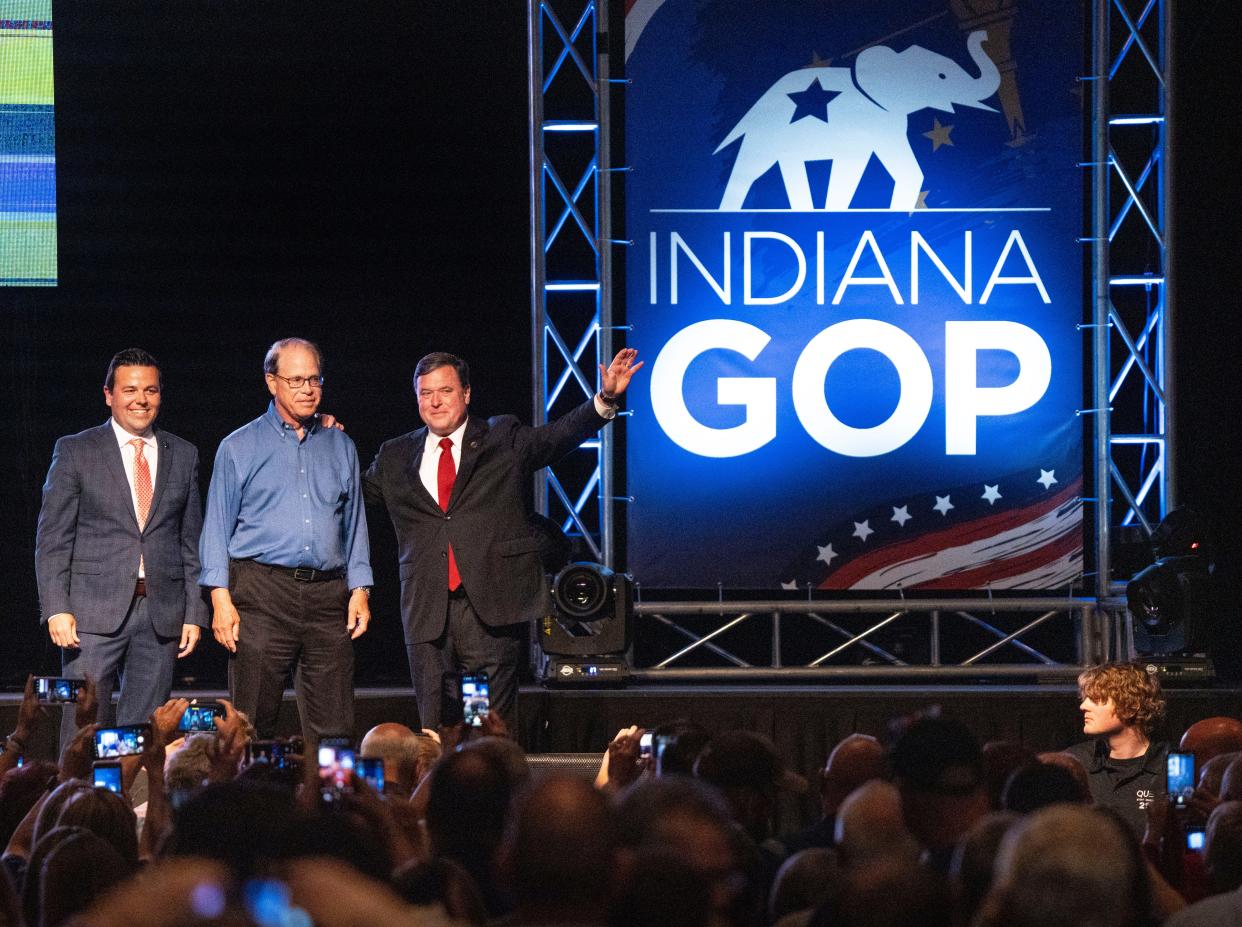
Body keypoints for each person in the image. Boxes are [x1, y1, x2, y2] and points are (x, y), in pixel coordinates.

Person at [363, 347, 642, 729]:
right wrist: (321, 438)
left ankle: (485, 784)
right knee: (435, 728)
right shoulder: (395, 455)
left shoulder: (500, 437)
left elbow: (555, 438)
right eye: (425, 393)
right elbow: (352, 495)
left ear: (466, 394)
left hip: (487, 611)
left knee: (482, 726)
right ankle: (438, 787)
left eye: (444, 390)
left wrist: (605, 399)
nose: (435, 401)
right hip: (427, 609)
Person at [199, 338, 372, 740]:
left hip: (329, 598)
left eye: (315, 379)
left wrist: (360, 588)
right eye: (296, 380)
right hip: (261, 594)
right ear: (271, 382)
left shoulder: (341, 444)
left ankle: (329, 802)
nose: (308, 389)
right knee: (250, 724)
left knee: (335, 728)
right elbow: (216, 527)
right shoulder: (238, 446)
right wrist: (219, 599)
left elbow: (355, 523)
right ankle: (251, 803)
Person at [35, 348, 208, 749]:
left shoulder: (183, 454)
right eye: (130, 390)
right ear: (109, 394)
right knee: (84, 727)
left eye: (150, 390)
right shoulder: (76, 449)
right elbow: (53, 537)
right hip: (90, 616)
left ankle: (130, 807)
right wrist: (56, 607)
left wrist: (193, 612)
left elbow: (190, 540)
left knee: (143, 733)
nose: (141, 399)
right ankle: (77, 807)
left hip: (161, 613)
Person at [1066, 661, 1168, 838]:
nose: (1083, 706)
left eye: (1096, 699)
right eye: (1085, 698)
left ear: (1130, 707)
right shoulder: (1074, 761)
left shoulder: (1169, 766)